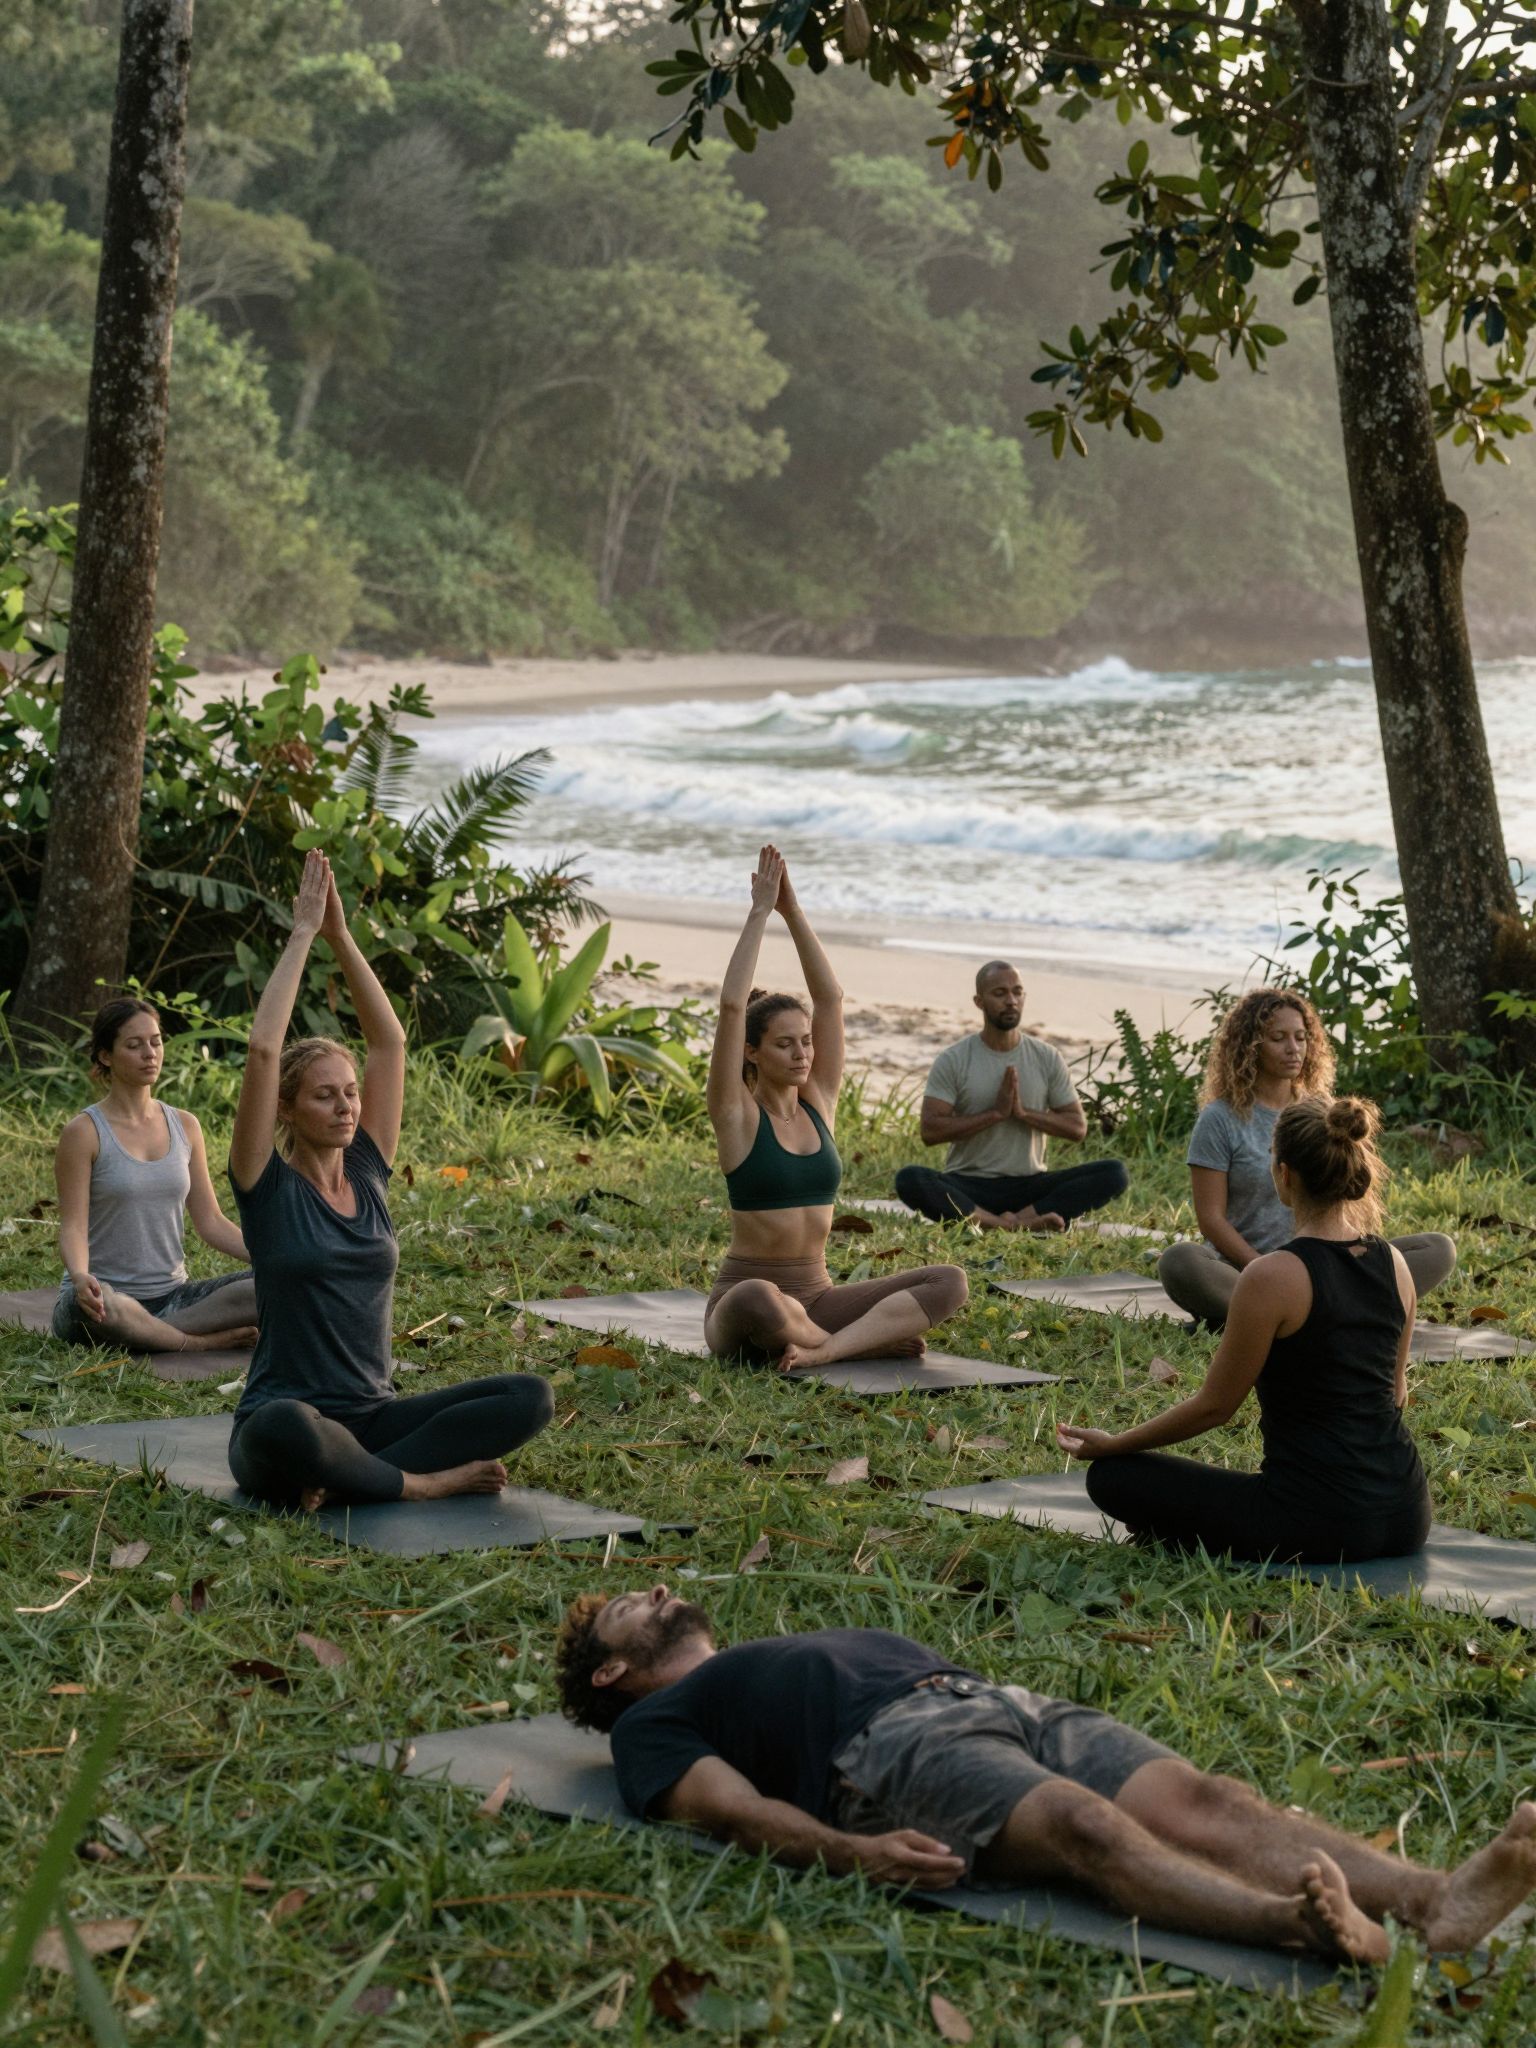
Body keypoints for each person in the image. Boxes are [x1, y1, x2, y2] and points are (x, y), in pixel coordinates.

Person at [554, 1587, 1536, 1964]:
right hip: (891, 1748)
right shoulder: (654, 1722)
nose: (657, 1589)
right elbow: (731, 1811)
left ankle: (1434, 1897)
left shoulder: (759, 1649)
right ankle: (1289, 1922)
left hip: (997, 1696)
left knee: (1210, 1798)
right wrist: (848, 1849)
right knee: (1084, 1827)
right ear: (612, 1671)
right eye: (629, 1610)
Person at [225, 848, 553, 1510]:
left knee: (529, 1397)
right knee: (290, 1427)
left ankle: (351, 1481)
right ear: (286, 1108)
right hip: (286, 1421)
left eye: (350, 1094)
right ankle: (418, 1484)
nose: (347, 1106)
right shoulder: (265, 1188)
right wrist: (301, 934)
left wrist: (342, 937)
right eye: (325, 1096)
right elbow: (264, 1050)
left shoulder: (369, 1170)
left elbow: (389, 1045)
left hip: (374, 1419)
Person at [1057, 1095, 1431, 1564]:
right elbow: (1397, 1394)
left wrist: (1115, 1444)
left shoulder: (1272, 1276)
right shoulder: (1394, 1263)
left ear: (1283, 1173)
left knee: (1114, 1478)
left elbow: (1214, 1408)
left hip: (1315, 1522)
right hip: (1407, 1515)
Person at [705, 845, 967, 1370]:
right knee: (760, 1296)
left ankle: (826, 1349)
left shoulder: (818, 1103)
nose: (803, 1053)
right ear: (751, 1052)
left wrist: (793, 912)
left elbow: (830, 1000)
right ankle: (855, 1341)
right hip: (747, 1301)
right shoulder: (736, 1115)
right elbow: (734, 1006)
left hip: (820, 1296)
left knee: (949, 1281)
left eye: (806, 1042)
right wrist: (760, 912)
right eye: (785, 1044)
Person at [1158, 987, 1454, 1329]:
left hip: (1325, 1264)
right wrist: (1260, 1269)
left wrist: (1348, 1259)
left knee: (1437, 1248)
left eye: (1300, 1037)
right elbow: (1211, 1219)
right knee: (1180, 1261)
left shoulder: (1321, 1111)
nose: (1293, 1048)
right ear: (1250, 1046)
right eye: (1278, 1038)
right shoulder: (1220, 1119)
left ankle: (1283, 1319)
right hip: (1248, 1271)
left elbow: (1347, 1201)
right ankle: (1308, 1313)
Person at [52, 997, 259, 1354]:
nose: (150, 1053)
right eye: (134, 1045)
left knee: (277, 1284)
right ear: (105, 1056)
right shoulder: (83, 1132)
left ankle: (150, 1335)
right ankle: (195, 1343)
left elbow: (210, 1221)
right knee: (104, 1310)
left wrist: (272, 1256)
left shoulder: (186, 1126)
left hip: (176, 1300)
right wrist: (81, 1276)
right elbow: (73, 1226)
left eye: (156, 1041)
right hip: (105, 1299)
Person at [893, 962, 1129, 1232]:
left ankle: (1017, 1220)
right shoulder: (954, 1059)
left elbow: (1076, 1128)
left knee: (1113, 1173)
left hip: (1030, 1185)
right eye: (1000, 993)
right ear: (979, 1002)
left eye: (1018, 993)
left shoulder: (1046, 1057)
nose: (1011, 1001)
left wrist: (1023, 1114)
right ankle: (1011, 1226)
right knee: (910, 1179)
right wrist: (995, 1114)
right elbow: (930, 1130)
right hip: (969, 1186)